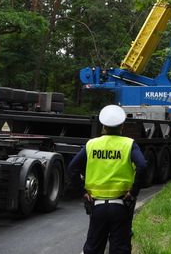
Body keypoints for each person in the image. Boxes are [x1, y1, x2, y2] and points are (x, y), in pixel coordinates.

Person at [68, 105, 147, 254]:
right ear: (122, 126)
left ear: (103, 126)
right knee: (120, 249)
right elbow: (142, 166)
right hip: (121, 206)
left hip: (97, 207)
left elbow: (72, 168)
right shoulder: (129, 144)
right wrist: (133, 192)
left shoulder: (92, 144)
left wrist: (82, 191)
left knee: (93, 249)